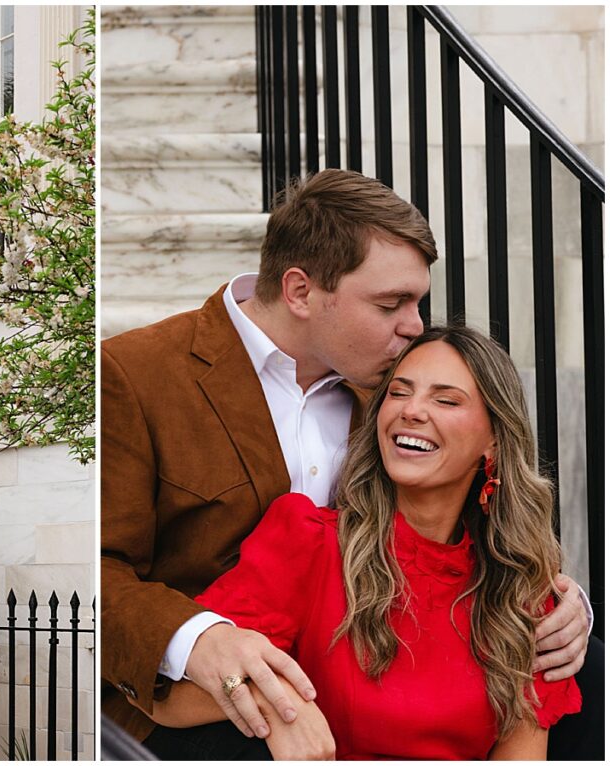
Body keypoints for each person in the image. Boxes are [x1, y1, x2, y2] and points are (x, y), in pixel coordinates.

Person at [100, 169, 595, 759]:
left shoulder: (389, 384)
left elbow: (478, 498)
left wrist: (562, 602)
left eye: (416, 302)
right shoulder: (134, 374)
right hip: (194, 698)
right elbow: (94, 570)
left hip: (394, 666)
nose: (413, 326)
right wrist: (199, 642)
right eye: (391, 304)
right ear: (301, 291)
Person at [150, 326, 581, 759]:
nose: (412, 410)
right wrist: (283, 703)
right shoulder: (309, 543)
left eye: (446, 400)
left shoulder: (524, 595)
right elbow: (167, 696)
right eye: (398, 392)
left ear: (495, 442)